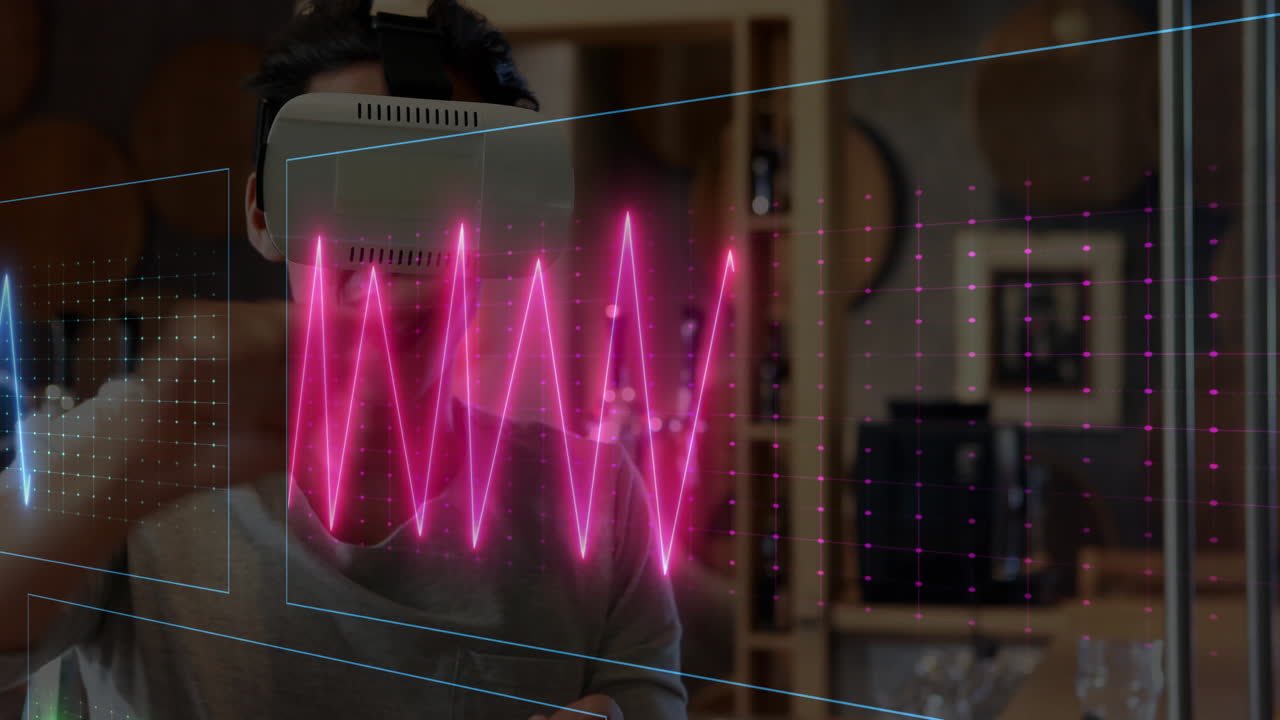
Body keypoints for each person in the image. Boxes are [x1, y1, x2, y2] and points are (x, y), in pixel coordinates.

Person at [0, 2, 686, 718]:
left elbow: (647, 699)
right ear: (265, 215)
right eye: (347, 178)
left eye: (437, 186)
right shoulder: (123, 454)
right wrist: (141, 443)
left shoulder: (597, 500)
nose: (389, 237)